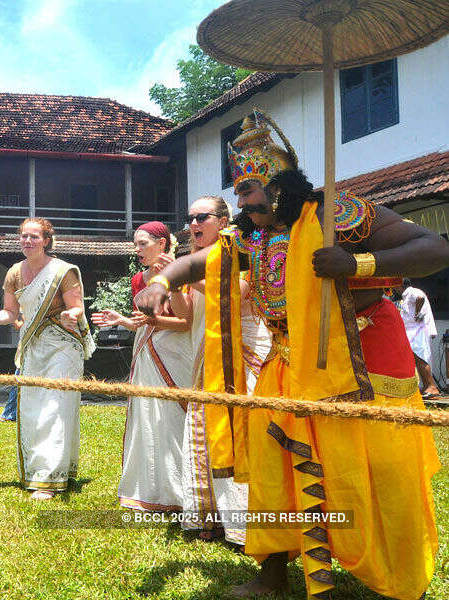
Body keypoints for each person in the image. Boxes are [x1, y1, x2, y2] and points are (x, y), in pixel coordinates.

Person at [138, 110, 448, 599]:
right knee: (273, 459)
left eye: (251, 189)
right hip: (289, 360)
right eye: (238, 192)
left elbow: (433, 249)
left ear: (281, 184)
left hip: (364, 357)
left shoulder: (334, 215)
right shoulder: (251, 235)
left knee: (379, 466)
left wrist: (356, 262)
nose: (244, 201)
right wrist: (160, 280)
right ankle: (274, 571)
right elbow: (199, 261)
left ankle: (397, 573)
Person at [0, 218, 94, 500]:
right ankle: (42, 470)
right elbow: (10, 313)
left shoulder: (63, 271)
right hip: (33, 347)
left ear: (46, 240)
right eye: (24, 236)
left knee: (55, 407)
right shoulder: (14, 272)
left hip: (64, 345)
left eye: (34, 237)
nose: (27, 241)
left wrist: (68, 316)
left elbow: (77, 308)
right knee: (32, 409)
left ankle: (50, 479)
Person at [91, 222, 192, 511]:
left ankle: (181, 491)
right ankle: (150, 488)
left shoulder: (183, 270)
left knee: (173, 417)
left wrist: (169, 281)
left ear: (162, 243)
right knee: (147, 415)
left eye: (143, 243)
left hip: (175, 351)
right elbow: (142, 320)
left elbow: (187, 322)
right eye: (136, 244)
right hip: (146, 349)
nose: (137, 250)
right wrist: (121, 321)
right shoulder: (138, 279)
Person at [172, 197, 256, 545]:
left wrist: (187, 277)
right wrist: (176, 284)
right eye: (190, 218)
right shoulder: (192, 260)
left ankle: (245, 526)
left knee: (239, 433)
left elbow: (237, 294)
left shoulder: (241, 250)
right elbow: (185, 317)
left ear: (223, 221)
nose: (194, 223)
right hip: (205, 355)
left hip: (244, 355)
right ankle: (210, 519)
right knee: (205, 431)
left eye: (202, 217)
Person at [398, 279, 441, 399]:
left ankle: (432, 387)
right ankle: (426, 386)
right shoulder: (405, 295)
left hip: (417, 330)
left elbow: (420, 297)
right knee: (416, 359)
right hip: (412, 330)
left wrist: (417, 313)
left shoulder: (412, 291)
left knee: (420, 358)